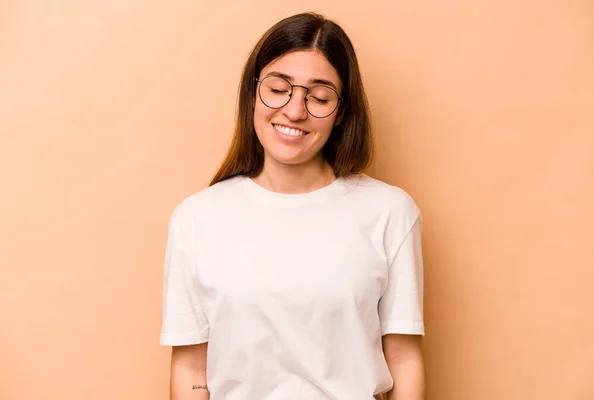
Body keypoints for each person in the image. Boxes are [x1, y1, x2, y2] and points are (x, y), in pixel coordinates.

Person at [160, 12, 425, 400]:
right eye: (278, 88)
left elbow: (404, 360)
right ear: (253, 92)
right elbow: (191, 368)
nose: (296, 111)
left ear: (340, 113)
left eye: (319, 97)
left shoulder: (390, 212)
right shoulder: (197, 218)